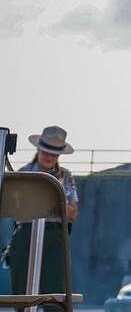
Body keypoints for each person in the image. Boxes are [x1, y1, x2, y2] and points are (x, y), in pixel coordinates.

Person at [8, 126, 79, 311]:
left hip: (54, 237)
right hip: (25, 233)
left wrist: (48, 204)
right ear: (38, 149)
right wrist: (52, 206)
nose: (49, 157)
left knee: (55, 295)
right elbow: (14, 210)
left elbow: (73, 212)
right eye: (46, 151)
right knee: (21, 295)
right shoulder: (23, 174)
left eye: (54, 153)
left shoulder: (65, 177)